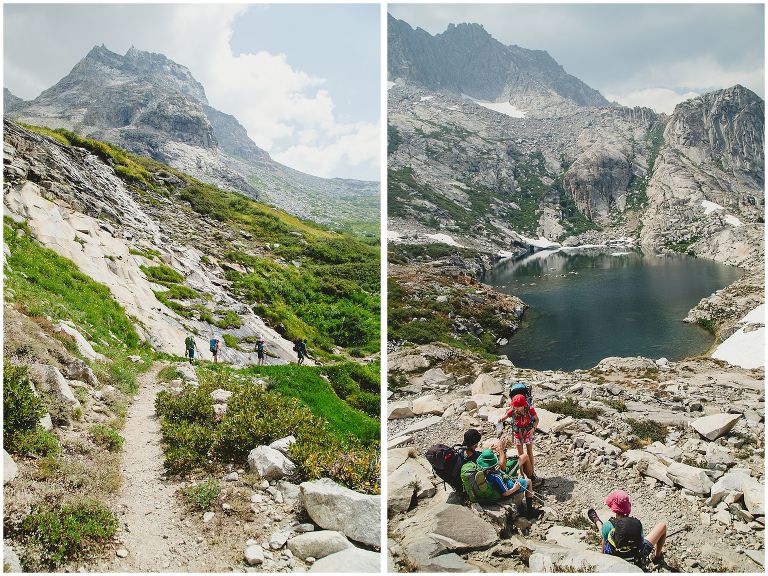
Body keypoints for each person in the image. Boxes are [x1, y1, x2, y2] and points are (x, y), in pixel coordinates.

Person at [596, 489, 667, 566]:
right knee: (662, 526)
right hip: (637, 558)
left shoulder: (607, 525)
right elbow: (641, 541)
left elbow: (604, 549)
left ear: (614, 509)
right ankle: (657, 557)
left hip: (616, 559)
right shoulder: (635, 525)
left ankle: (597, 521)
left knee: (603, 530)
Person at [474, 449, 536, 516]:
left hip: (495, 489)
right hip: (506, 490)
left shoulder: (484, 472)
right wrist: (515, 488)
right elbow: (505, 493)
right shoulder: (497, 477)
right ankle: (530, 511)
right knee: (529, 482)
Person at [498, 394, 539, 481]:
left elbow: (536, 420)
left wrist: (533, 429)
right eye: (514, 406)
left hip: (528, 432)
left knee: (529, 452)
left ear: (523, 405)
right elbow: (504, 417)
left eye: (517, 406)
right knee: (521, 454)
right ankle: (521, 473)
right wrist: (500, 419)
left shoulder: (530, 409)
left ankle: (532, 472)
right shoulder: (512, 410)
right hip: (517, 434)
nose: (515, 408)